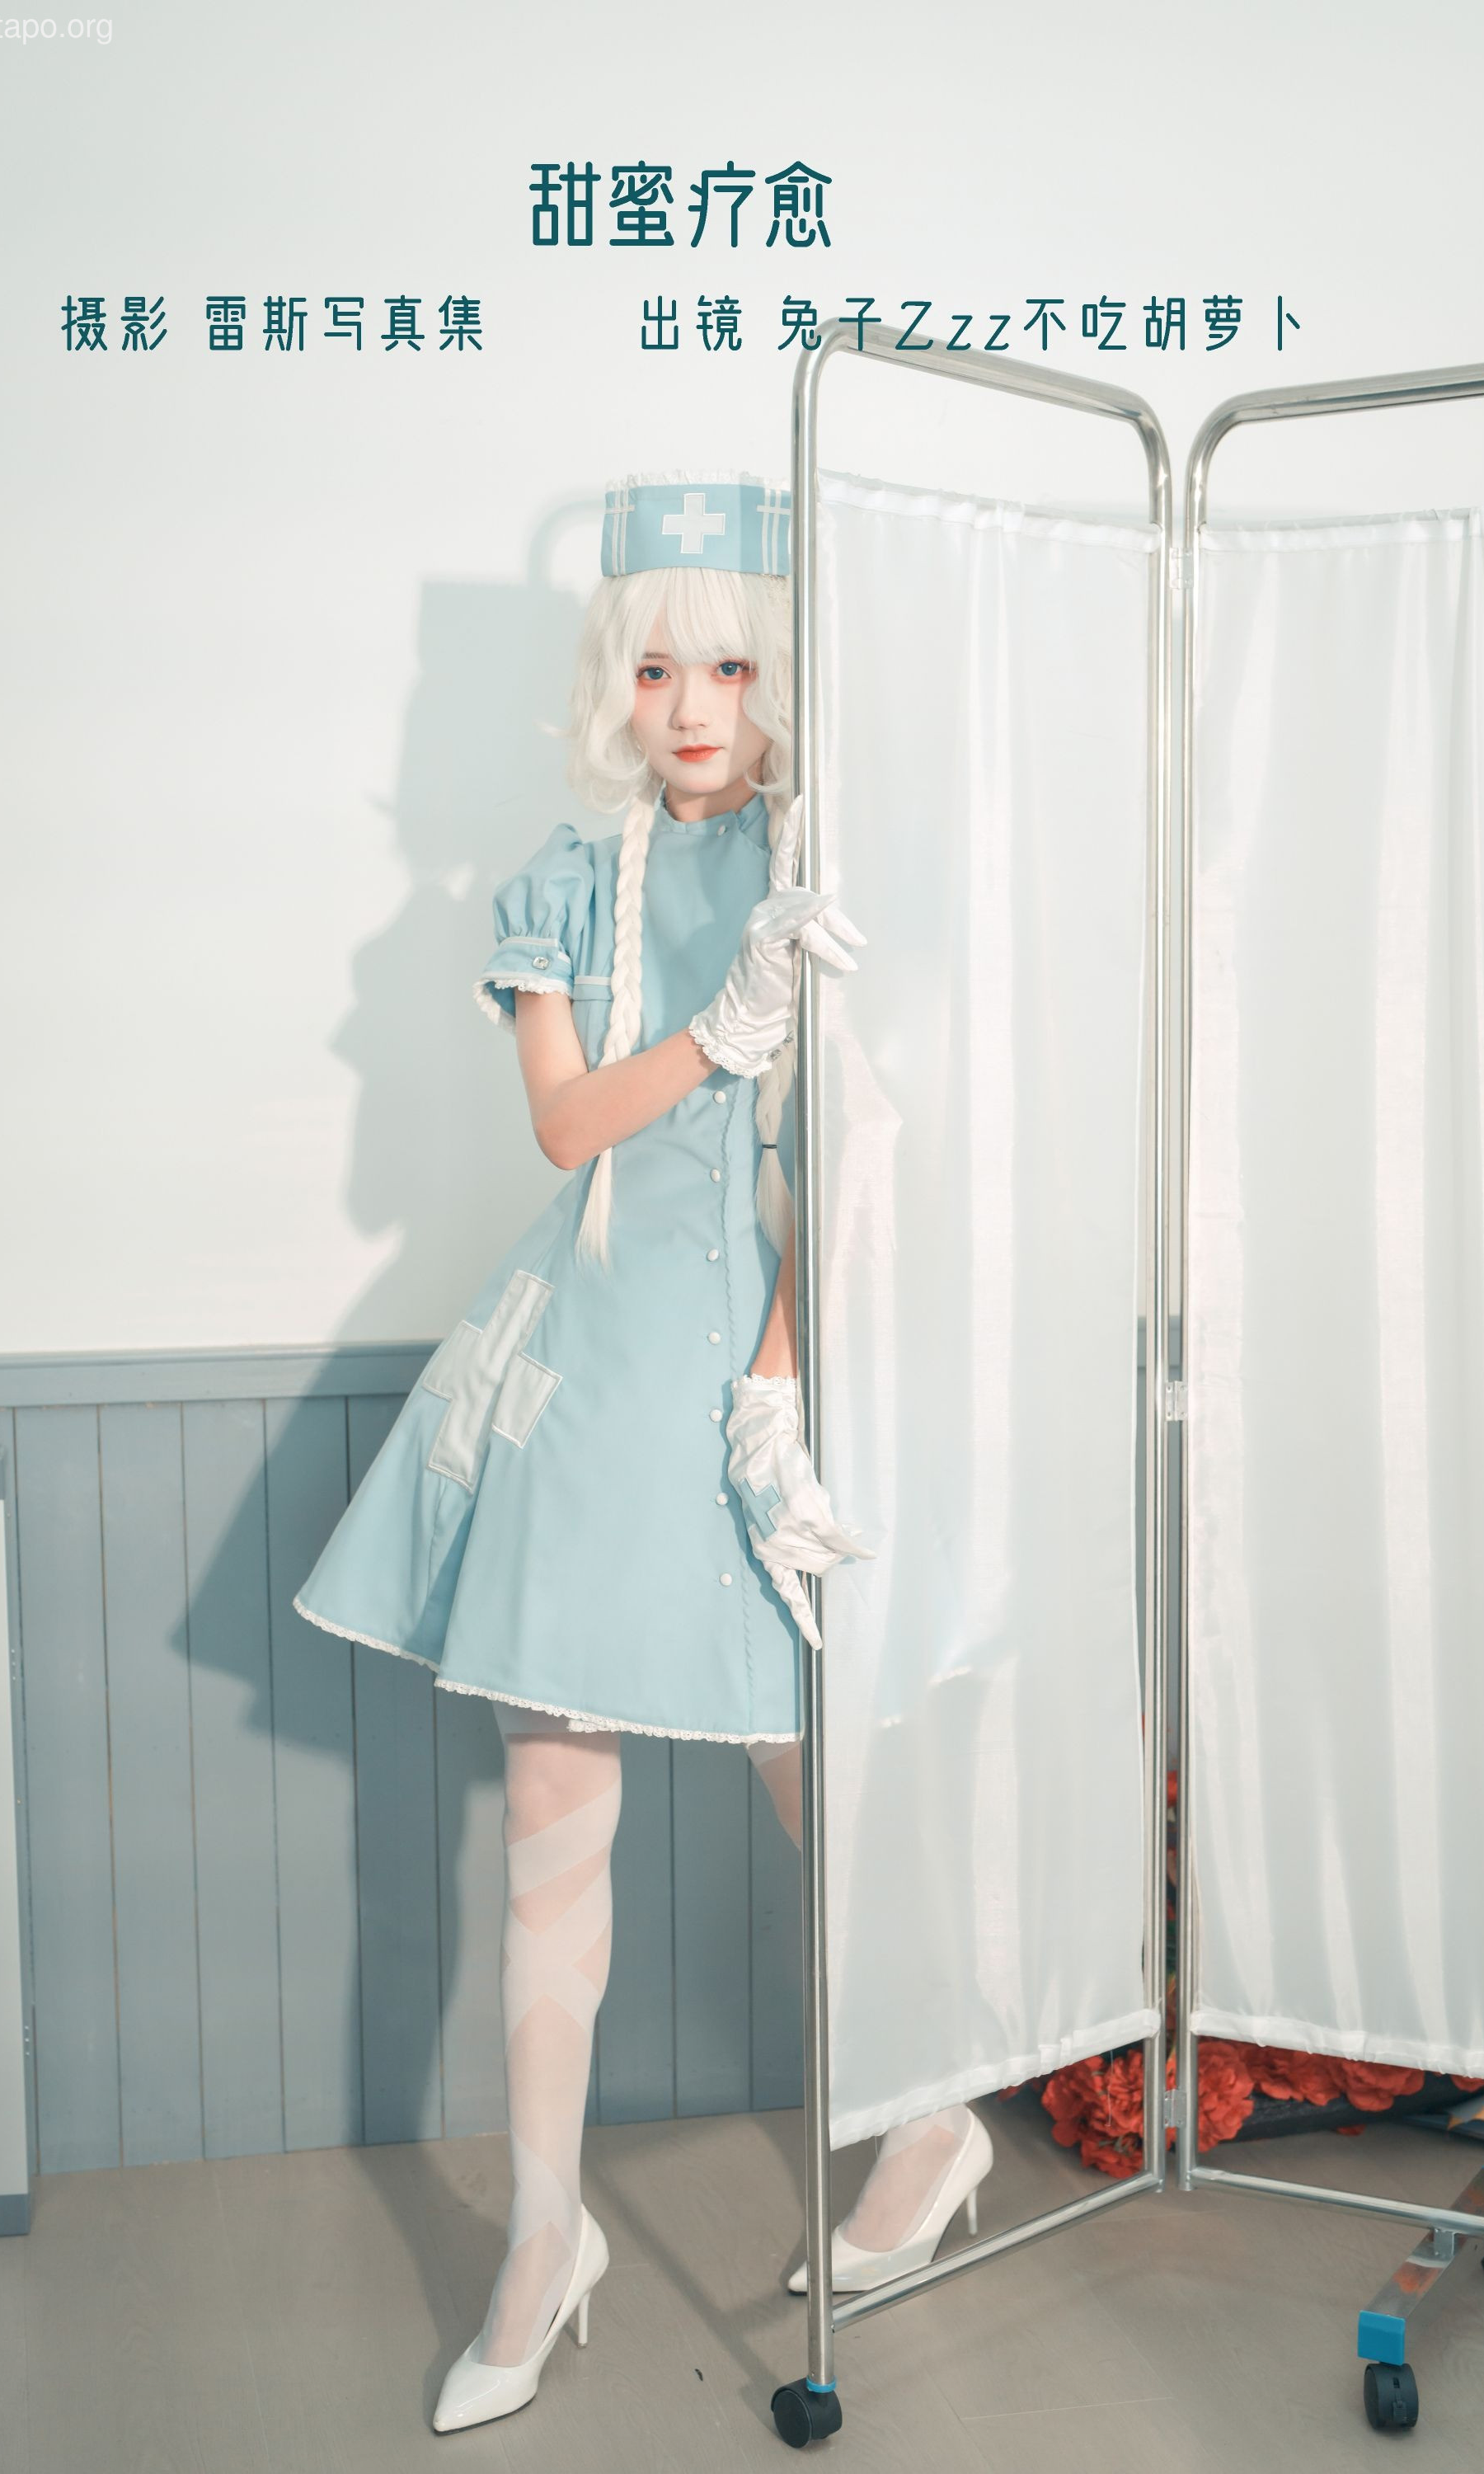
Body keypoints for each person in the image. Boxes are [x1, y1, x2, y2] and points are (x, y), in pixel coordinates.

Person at [293, 472, 993, 2434]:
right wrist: (728, 1014)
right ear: (619, 668)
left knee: (813, 1786)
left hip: (767, 1375)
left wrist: (780, 1398)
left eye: (738, 660)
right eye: (663, 659)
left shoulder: (838, 861)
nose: (697, 702)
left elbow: (867, 1180)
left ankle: (934, 2123)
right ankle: (540, 2233)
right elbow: (566, 1126)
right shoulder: (565, 876)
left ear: (789, 670)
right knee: (547, 1822)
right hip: (593, 1377)